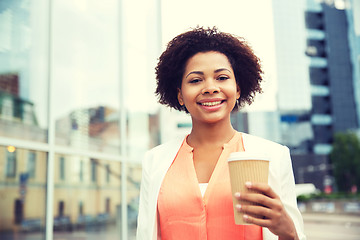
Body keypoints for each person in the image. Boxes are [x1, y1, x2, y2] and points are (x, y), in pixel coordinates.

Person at [136, 26, 306, 240]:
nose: (210, 88)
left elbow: (293, 236)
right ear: (180, 95)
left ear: (238, 89)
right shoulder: (155, 161)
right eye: (196, 80)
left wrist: (288, 230)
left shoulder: (274, 156)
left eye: (222, 77)